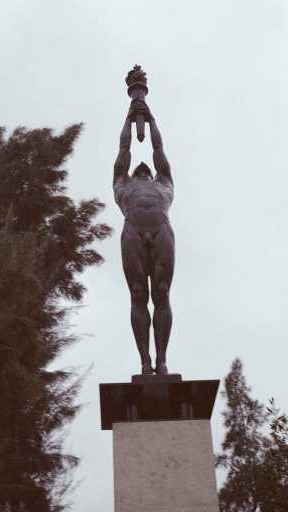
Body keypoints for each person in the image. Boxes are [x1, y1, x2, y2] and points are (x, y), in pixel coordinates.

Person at [113, 100, 175, 375]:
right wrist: (129, 119)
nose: (141, 169)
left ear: (150, 174)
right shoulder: (122, 183)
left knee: (161, 293)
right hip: (133, 231)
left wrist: (150, 121)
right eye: (137, 170)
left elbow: (159, 150)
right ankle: (144, 361)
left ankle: (161, 360)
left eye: (145, 170)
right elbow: (124, 150)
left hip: (161, 230)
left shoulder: (163, 182)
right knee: (138, 294)